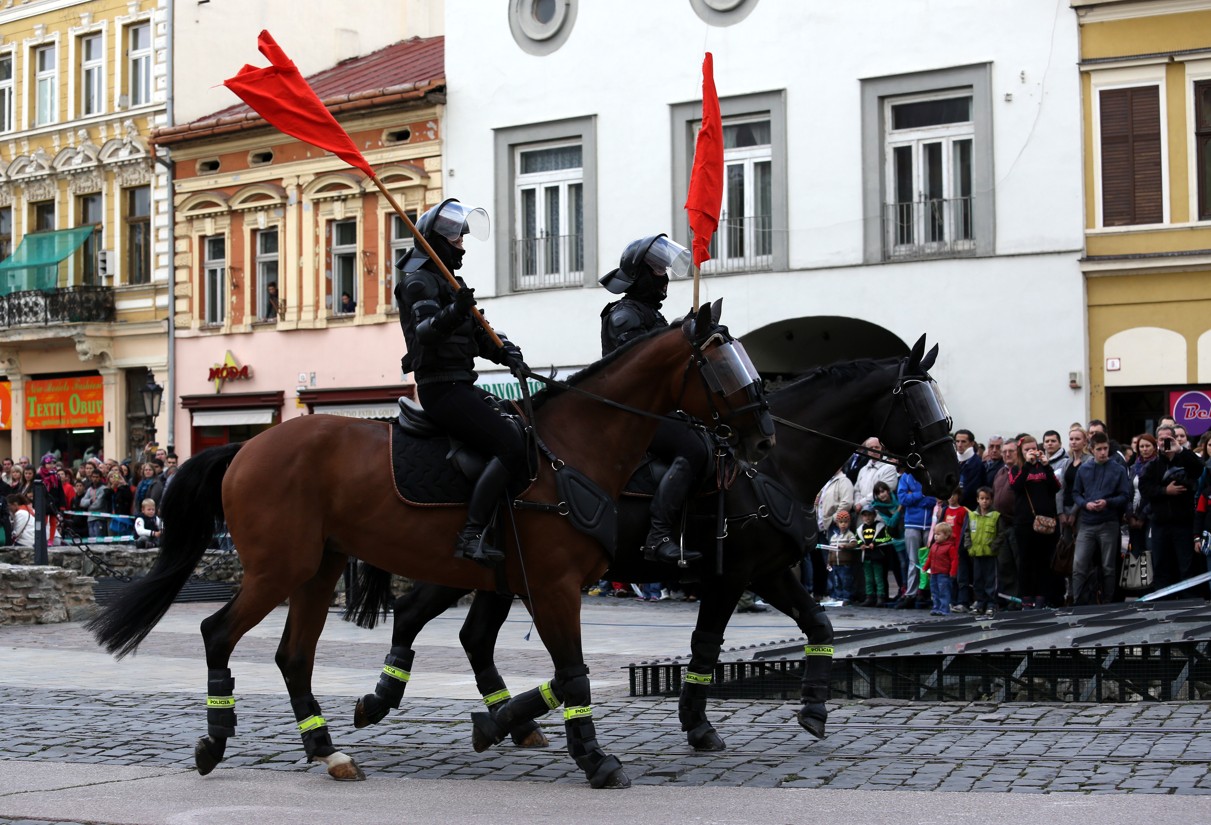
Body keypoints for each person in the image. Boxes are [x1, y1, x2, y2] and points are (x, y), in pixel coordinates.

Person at [395, 199, 528, 567]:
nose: (462, 246)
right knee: (510, 445)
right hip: (441, 388)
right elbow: (426, 334)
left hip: (462, 385)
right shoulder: (419, 281)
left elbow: (478, 336)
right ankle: (470, 534)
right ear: (437, 241)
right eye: (455, 239)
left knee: (522, 426)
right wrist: (455, 311)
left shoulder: (452, 283)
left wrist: (506, 353)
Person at [599, 233, 711, 567]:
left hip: (657, 408)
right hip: (633, 411)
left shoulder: (650, 314)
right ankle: (658, 536)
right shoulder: (625, 316)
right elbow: (641, 371)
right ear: (642, 276)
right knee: (692, 448)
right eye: (659, 271)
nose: (664, 278)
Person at [1139, 425, 1205, 595]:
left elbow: (1199, 468)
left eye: (1168, 439)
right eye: (1161, 439)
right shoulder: (1152, 465)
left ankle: (1188, 603)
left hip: (1183, 523)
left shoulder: (1185, 459)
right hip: (1160, 523)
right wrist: (1164, 491)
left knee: (1186, 566)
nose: (1164, 443)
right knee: (1161, 566)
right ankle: (1163, 604)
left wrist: (1180, 450)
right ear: (1156, 442)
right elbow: (1145, 488)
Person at [1071, 431, 1132, 605]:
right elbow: (1075, 493)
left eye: (1105, 448)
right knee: (1079, 565)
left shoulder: (1118, 469)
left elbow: (1125, 496)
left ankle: (1108, 602)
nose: (1103, 452)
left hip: (1109, 522)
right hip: (1088, 523)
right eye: (1099, 449)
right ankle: (1078, 601)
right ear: (1091, 450)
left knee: (1108, 567)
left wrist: (1107, 502)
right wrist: (1085, 504)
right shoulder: (1084, 469)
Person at [1010, 434, 1062, 608]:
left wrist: (1047, 466)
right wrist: (1026, 465)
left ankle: (1041, 598)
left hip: (1045, 521)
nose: (1032, 452)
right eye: (1027, 450)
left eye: (1034, 449)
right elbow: (1016, 487)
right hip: (1024, 522)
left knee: (1044, 562)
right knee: (1026, 561)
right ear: (1021, 451)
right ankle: (1026, 600)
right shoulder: (1016, 468)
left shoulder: (1044, 467)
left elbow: (1056, 487)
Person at [896, 467, 935, 609]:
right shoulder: (906, 477)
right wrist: (921, 495)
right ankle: (911, 593)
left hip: (930, 524)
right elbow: (903, 499)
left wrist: (916, 497)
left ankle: (929, 593)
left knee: (930, 561)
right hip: (912, 523)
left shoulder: (931, 475)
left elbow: (934, 499)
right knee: (913, 561)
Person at [966, 486, 1001, 615]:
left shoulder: (996, 516)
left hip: (990, 554)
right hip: (976, 553)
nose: (984, 501)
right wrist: (969, 546)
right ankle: (980, 603)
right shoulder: (972, 515)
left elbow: (1000, 534)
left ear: (991, 500)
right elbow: (967, 532)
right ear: (977, 500)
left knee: (991, 580)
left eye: (987, 498)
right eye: (982, 498)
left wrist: (994, 547)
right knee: (978, 580)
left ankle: (991, 603)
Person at [870, 479, 905, 600]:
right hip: (895, 540)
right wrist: (899, 511)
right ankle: (902, 588)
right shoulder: (880, 508)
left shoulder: (899, 498)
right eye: (878, 493)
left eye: (883, 491)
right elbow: (890, 523)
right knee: (900, 564)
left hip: (907, 535)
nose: (882, 495)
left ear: (888, 491)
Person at [856, 504, 892, 607]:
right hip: (866, 557)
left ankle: (881, 596)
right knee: (868, 579)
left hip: (877, 557)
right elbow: (856, 538)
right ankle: (869, 597)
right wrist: (861, 544)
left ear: (874, 515)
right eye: (865, 515)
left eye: (869, 515)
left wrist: (875, 543)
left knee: (878, 578)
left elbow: (887, 538)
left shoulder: (880, 526)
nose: (867, 518)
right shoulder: (860, 529)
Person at [925, 521, 958, 616]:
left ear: (946, 535)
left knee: (944, 591)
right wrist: (926, 567)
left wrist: (952, 572)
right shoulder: (934, 546)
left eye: (938, 534)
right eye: (935, 534)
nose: (936, 536)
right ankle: (936, 607)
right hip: (934, 573)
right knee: (934, 592)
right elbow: (930, 558)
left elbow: (954, 560)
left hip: (944, 573)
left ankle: (944, 609)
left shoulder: (950, 547)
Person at [954, 429, 985, 511]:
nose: (960, 444)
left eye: (963, 442)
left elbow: (971, 490)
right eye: (957, 441)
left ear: (972, 443)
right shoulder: (953, 461)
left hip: (969, 509)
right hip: (953, 507)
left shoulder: (977, 464)